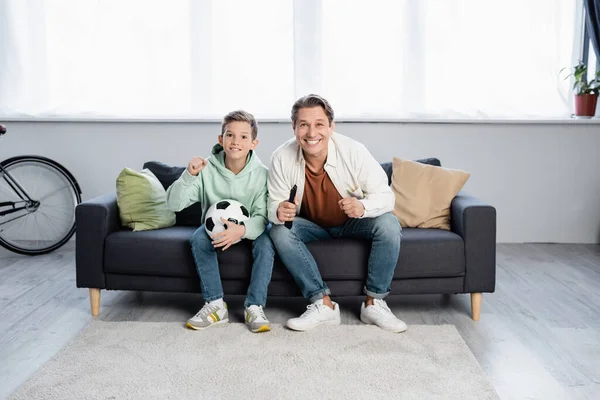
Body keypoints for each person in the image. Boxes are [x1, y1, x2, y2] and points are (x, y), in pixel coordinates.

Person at [267, 94, 406, 333]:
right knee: (278, 231)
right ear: (294, 128)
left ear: (331, 127)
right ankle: (323, 305)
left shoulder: (354, 151)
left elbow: (387, 196)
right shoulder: (281, 157)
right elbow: (272, 205)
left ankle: (374, 303)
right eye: (304, 125)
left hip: (353, 223)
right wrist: (279, 210)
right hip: (311, 225)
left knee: (389, 224)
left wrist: (362, 207)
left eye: (319, 124)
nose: (312, 133)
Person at [166, 110, 274, 333]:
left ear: (254, 143)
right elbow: (173, 204)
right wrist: (189, 175)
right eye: (229, 135)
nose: (236, 142)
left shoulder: (262, 174)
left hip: (249, 230)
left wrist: (241, 230)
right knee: (198, 238)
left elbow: (262, 218)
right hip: (214, 231)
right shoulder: (205, 169)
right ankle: (215, 305)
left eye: (244, 137)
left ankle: (254, 305)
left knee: (267, 242)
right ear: (220, 139)